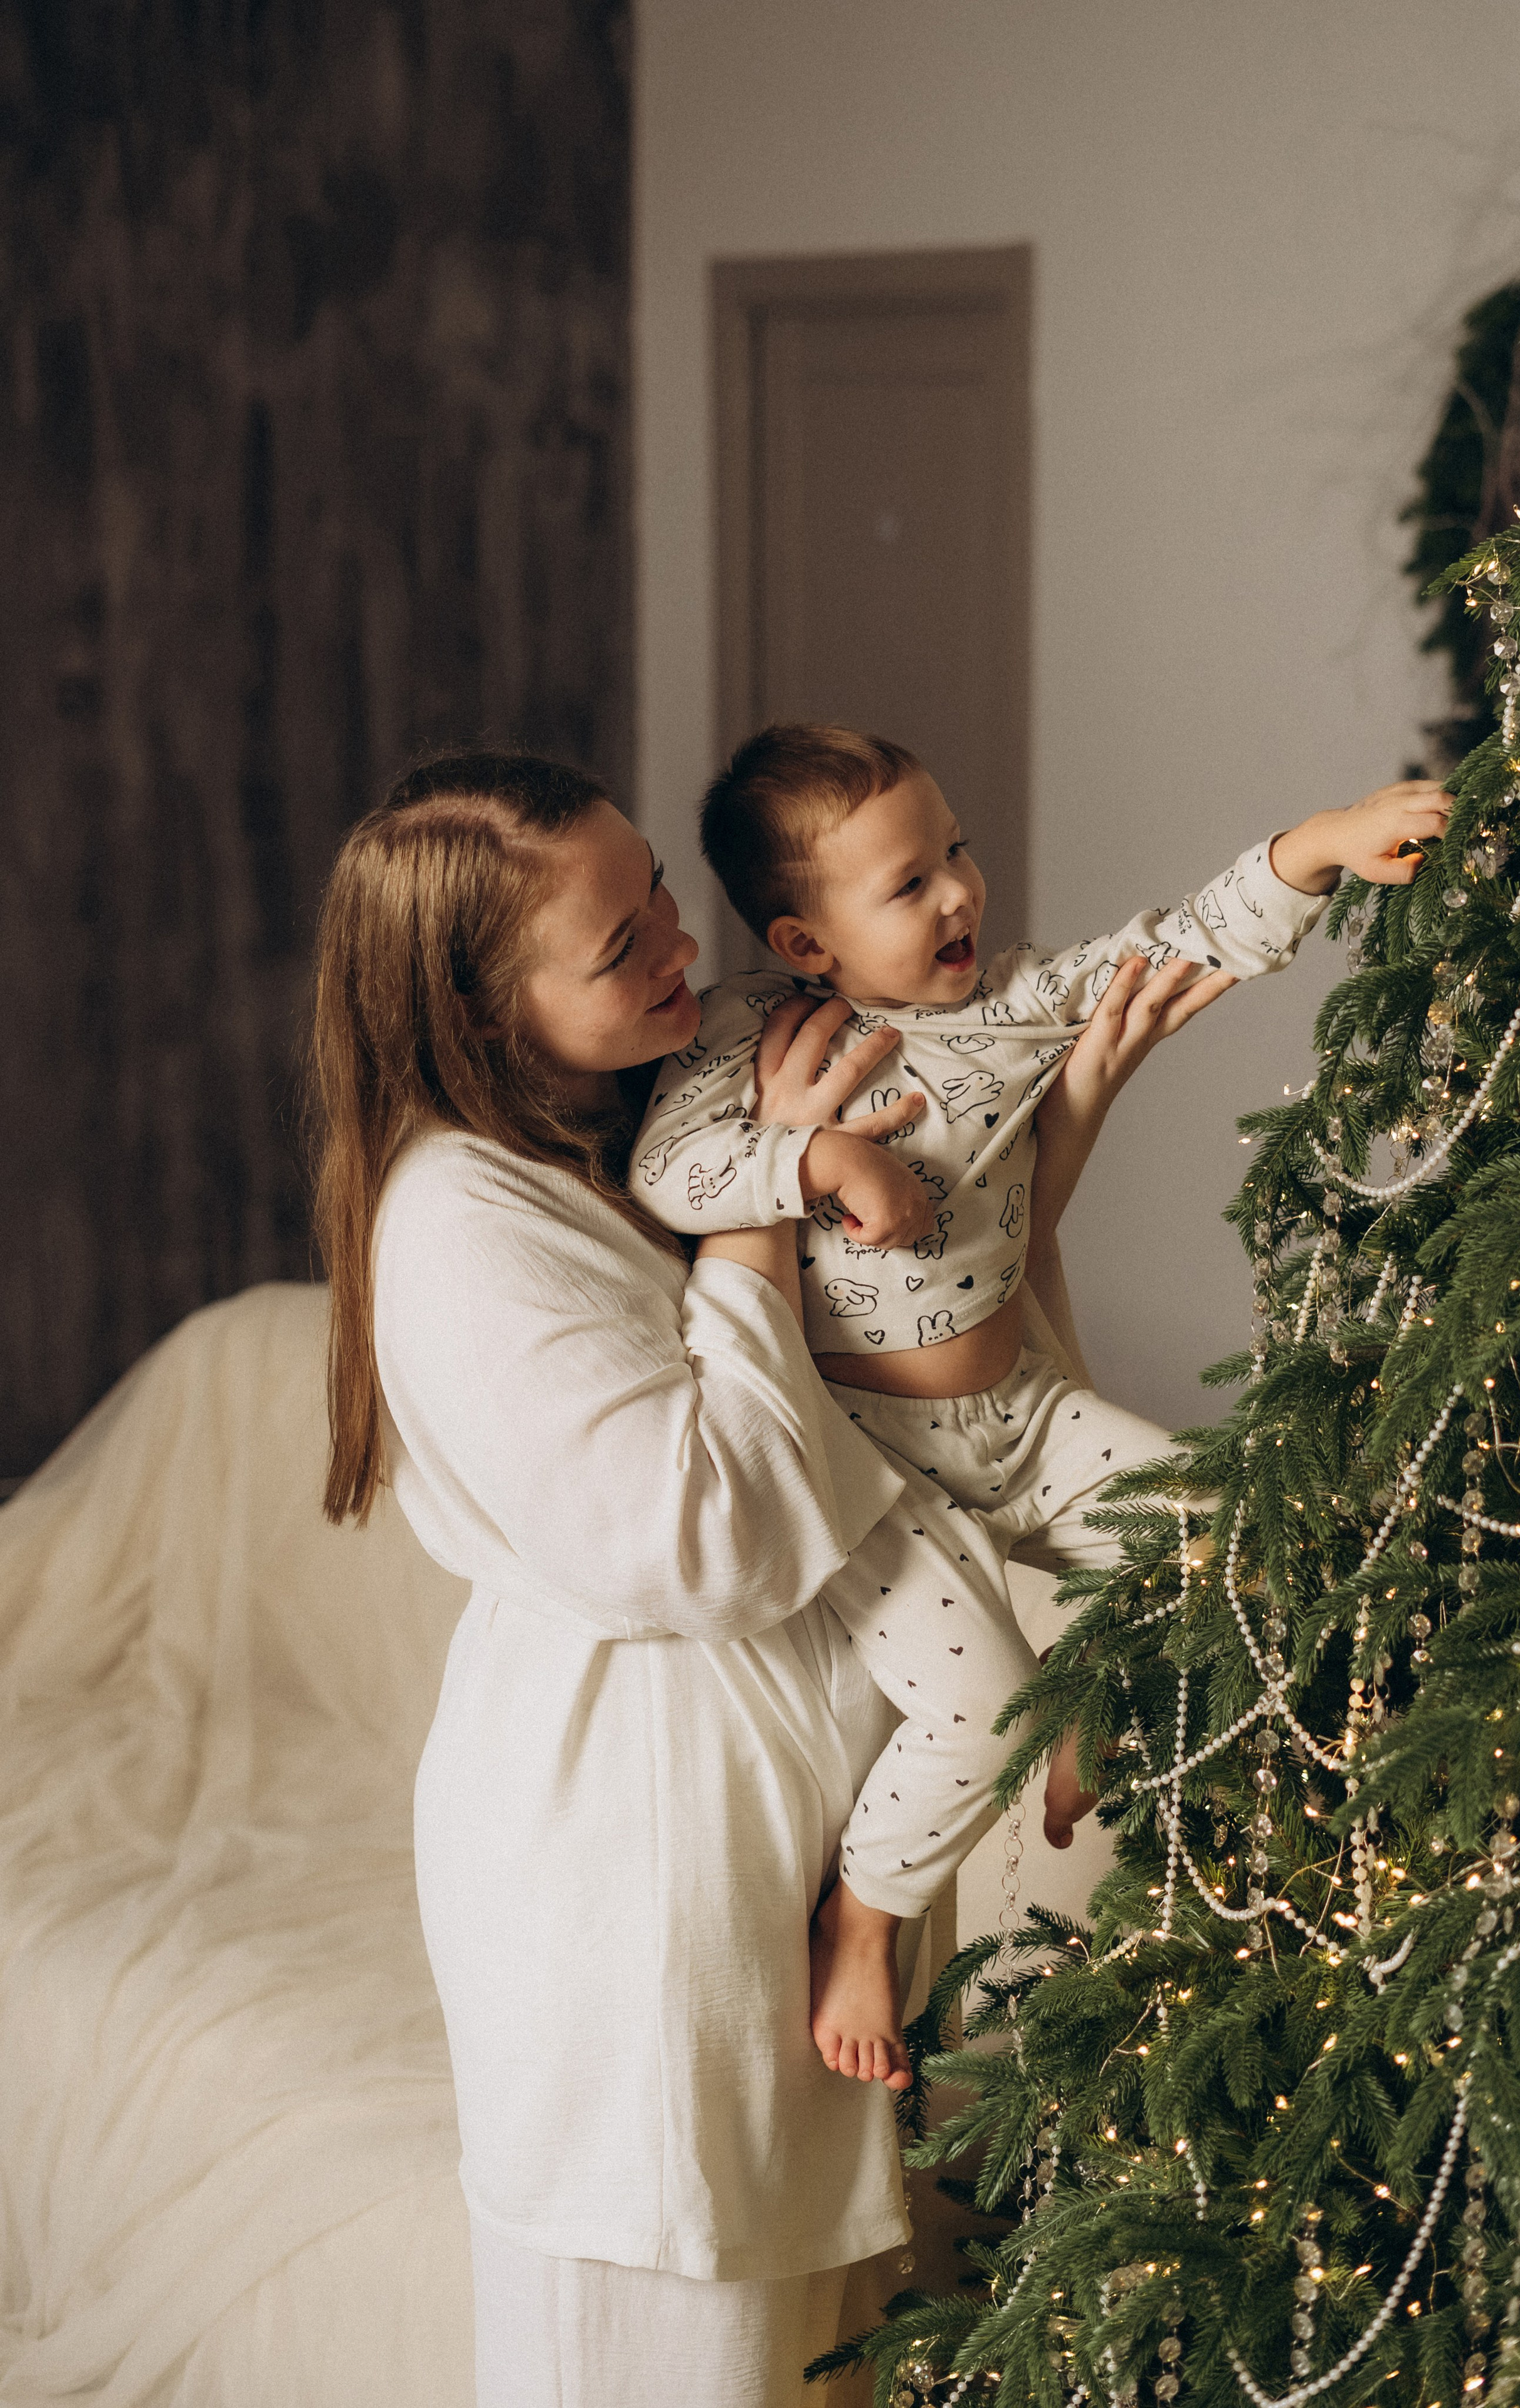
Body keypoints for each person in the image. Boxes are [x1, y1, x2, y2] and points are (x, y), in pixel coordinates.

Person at [307, 747, 1232, 2408]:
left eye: (657, 887)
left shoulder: (638, 1112)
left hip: (781, 1861)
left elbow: (899, 1340)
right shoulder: (460, 1221)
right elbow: (714, 1531)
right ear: (485, 1007)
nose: (681, 938)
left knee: (815, 2360)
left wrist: (1055, 1109)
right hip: (642, 1881)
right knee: (683, 2361)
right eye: (620, 945)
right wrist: (760, 1195)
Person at [628, 722, 1450, 2071]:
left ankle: (1105, 1700)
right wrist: (823, 1155)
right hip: (872, 1460)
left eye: (952, 849)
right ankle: (861, 1923)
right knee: (974, 1706)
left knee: (1232, 1522)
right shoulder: (754, 1033)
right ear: (804, 942)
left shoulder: (1012, 1005)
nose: (956, 892)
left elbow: (1176, 943)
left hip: (1017, 1418)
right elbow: (670, 1172)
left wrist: (1316, 847)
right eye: (905, 883)